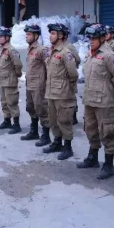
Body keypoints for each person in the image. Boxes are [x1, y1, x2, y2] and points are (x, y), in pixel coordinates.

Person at [78, 24, 114, 179]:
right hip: (90, 99)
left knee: (107, 132)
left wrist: (109, 91)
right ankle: (93, 157)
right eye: (89, 38)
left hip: (104, 100)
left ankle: (109, 164)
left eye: (94, 38)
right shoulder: (90, 54)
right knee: (91, 129)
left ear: (103, 38)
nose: (90, 41)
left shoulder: (109, 55)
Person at [43, 22, 79, 160]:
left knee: (64, 120)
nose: (50, 36)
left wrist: (67, 88)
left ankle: (68, 147)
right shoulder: (51, 50)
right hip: (51, 92)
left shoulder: (66, 52)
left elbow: (73, 74)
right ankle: (57, 142)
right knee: (53, 120)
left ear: (61, 35)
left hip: (63, 93)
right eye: (50, 33)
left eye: (53, 33)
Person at [22, 24, 50, 143]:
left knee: (41, 109)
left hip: (39, 85)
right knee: (30, 107)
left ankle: (46, 135)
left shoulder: (42, 50)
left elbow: (49, 67)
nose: (26, 37)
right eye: (26, 34)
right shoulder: (29, 49)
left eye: (29, 34)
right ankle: (34, 131)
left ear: (36, 36)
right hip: (29, 84)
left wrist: (47, 83)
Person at [0, 27, 23, 133]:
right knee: (4, 102)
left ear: (7, 37)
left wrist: (16, 75)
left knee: (12, 103)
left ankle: (16, 124)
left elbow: (18, 64)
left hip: (10, 81)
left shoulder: (12, 50)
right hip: (2, 81)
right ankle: (7, 121)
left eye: (1, 37)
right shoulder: (3, 50)